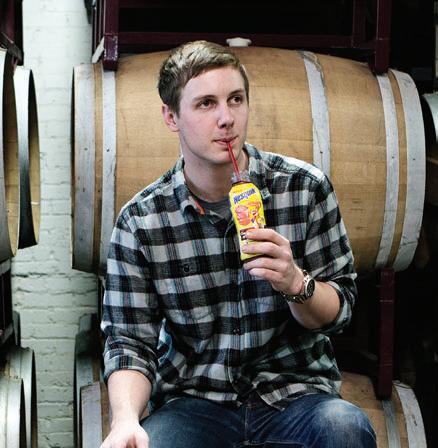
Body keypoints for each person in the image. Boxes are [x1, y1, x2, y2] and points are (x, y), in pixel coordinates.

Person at [100, 40, 376, 448]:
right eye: (206, 104)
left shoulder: (304, 189)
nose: (227, 118)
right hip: (193, 401)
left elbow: (342, 311)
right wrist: (125, 419)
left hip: (295, 395)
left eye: (236, 99)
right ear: (171, 117)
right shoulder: (141, 221)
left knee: (346, 427)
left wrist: (296, 284)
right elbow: (129, 342)